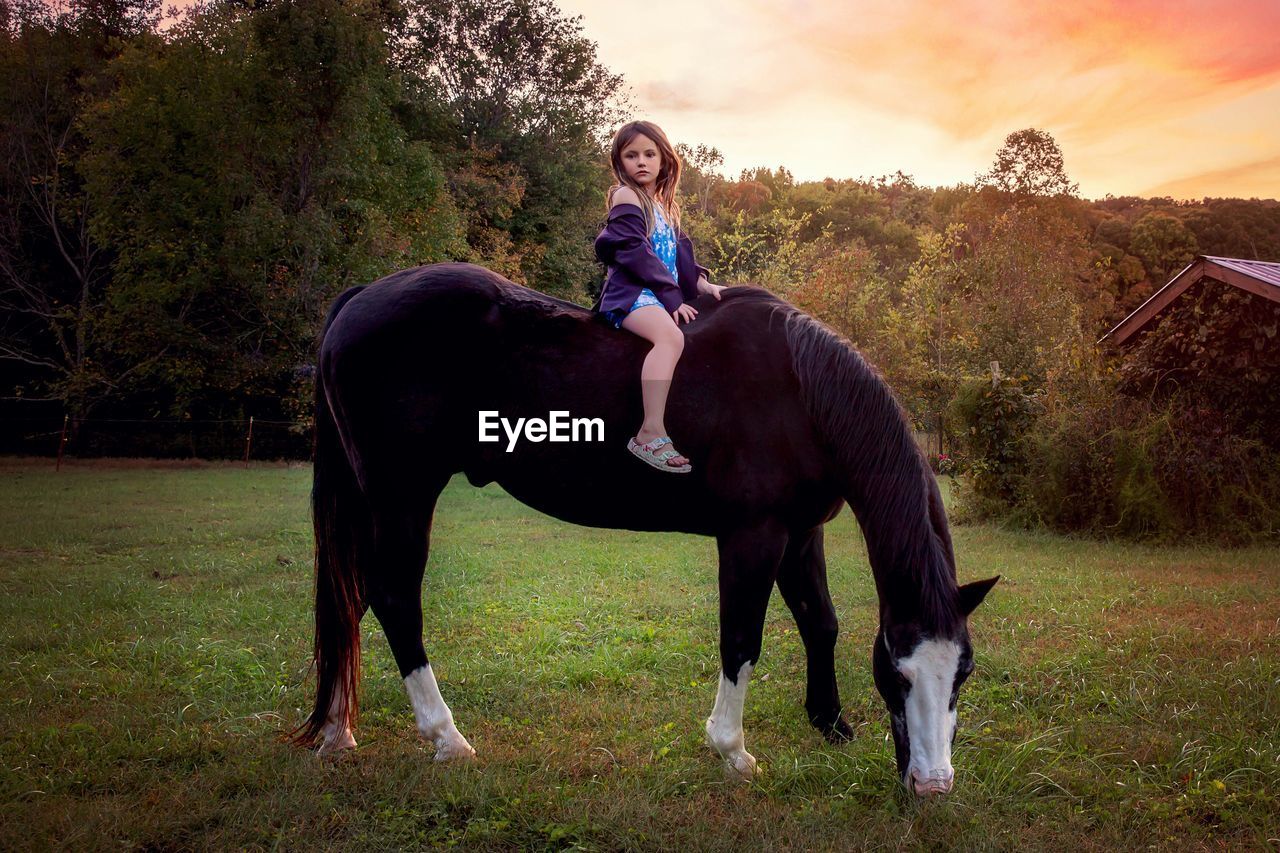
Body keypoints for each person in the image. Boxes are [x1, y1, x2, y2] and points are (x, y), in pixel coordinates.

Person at [593, 120, 726, 474]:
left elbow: (681, 262)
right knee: (670, 338)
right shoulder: (626, 196)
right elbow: (634, 251)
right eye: (631, 155)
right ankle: (649, 432)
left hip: (656, 296)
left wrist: (703, 286)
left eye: (650, 154)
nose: (641, 162)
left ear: (664, 160)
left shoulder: (667, 208)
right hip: (633, 295)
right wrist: (670, 296)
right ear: (620, 163)